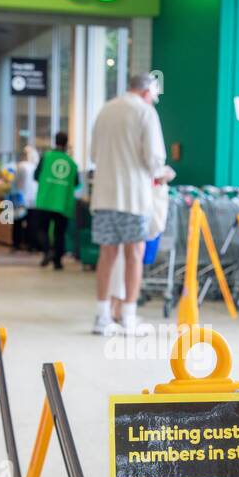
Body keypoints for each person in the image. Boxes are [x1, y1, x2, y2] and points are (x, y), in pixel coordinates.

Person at [89, 72, 166, 334]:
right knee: (134, 255)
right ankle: (128, 317)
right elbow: (154, 158)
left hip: (103, 196)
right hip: (133, 197)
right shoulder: (145, 113)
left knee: (106, 255)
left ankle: (102, 317)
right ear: (146, 93)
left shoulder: (105, 110)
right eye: (154, 96)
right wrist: (162, 174)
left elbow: (94, 154)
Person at [31, 132, 78, 270]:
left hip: (45, 200)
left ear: (55, 141)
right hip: (63, 203)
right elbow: (76, 183)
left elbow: (35, 176)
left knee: (41, 229)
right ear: (66, 143)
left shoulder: (46, 157)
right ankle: (57, 261)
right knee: (60, 233)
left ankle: (47, 251)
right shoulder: (72, 163)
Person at [11, 145, 39, 251]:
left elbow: (16, 182)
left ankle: (16, 244)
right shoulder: (35, 166)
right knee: (32, 223)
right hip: (33, 199)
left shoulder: (21, 166)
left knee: (18, 222)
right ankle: (31, 245)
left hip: (21, 198)